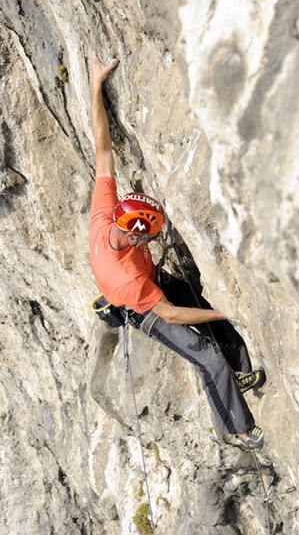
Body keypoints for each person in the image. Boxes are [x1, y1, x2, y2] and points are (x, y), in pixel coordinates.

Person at [89, 52, 266, 449]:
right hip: (146, 310)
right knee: (207, 357)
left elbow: (102, 150)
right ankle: (237, 428)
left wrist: (95, 85)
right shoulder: (126, 277)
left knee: (206, 309)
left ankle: (242, 373)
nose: (153, 241)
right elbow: (168, 313)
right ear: (134, 237)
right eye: (150, 237)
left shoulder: (106, 214)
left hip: (151, 283)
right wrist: (228, 311)